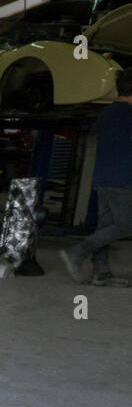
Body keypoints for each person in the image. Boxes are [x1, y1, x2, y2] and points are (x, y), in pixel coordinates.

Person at [61, 69, 132, 287]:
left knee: (105, 227)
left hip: (102, 178)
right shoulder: (128, 114)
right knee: (127, 225)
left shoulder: (106, 113)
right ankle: (77, 253)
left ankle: (101, 273)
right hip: (122, 179)